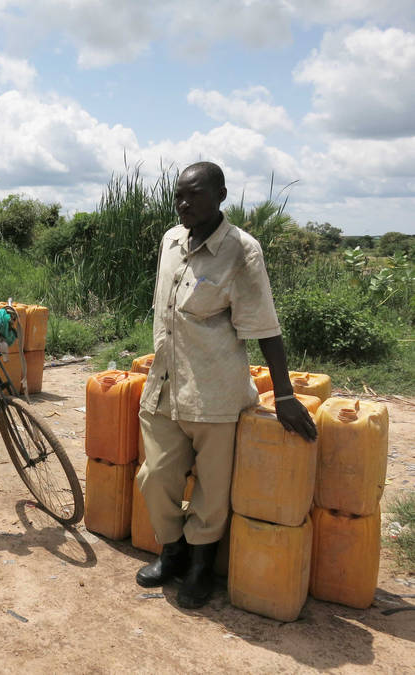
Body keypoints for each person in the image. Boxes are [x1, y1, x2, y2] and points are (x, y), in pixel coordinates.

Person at [135, 161, 318, 609]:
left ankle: (200, 567)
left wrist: (286, 394)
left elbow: (266, 327)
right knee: (154, 476)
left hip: (214, 392)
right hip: (163, 386)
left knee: (213, 491)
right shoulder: (170, 241)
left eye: (194, 194)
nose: (183, 204)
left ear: (220, 195)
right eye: (178, 196)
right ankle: (172, 551)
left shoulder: (241, 250)